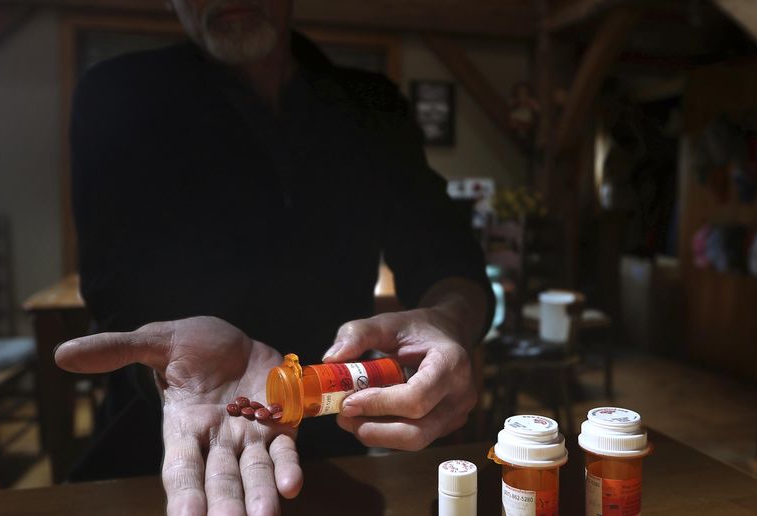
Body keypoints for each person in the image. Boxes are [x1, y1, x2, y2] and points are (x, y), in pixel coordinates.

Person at [54, 0, 494, 514]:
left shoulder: (372, 104)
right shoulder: (117, 92)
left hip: (330, 437)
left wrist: (449, 321)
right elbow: (114, 291)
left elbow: (446, 255)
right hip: (163, 434)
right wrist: (171, 367)